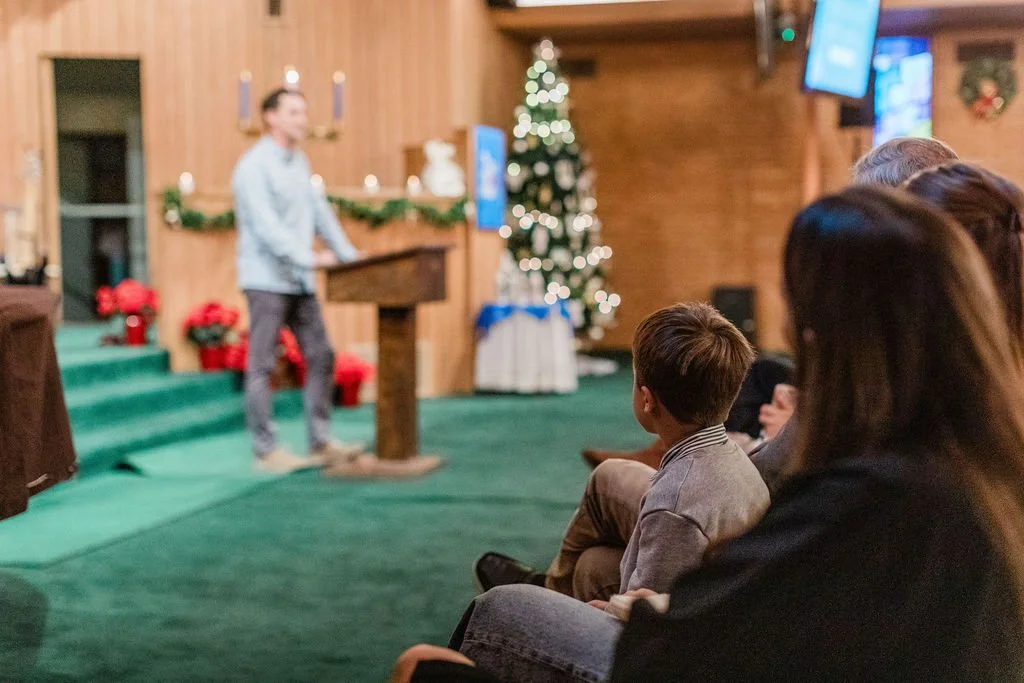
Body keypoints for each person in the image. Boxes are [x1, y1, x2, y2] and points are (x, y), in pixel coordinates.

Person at [396, 185, 1024, 683]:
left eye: (801, 321)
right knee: (592, 564)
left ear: (837, 341)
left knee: (489, 619)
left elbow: (708, 642)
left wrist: (632, 610)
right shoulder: (970, 454)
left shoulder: (882, 494)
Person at [581, 136, 960, 470]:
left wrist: (791, 434)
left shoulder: (895, 347)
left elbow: (794, 491)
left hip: (781, 480)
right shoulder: (944, 316)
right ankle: (670, 453)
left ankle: (677, 457)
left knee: (608, 498)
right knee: (758, 373)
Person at [475, 304, 770, 602]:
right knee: (591, 566)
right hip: (718, 594)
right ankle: (555, 591)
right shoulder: (732, 459)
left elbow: (648, 627)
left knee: (495, 610)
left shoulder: (673, 504)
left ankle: (542, 604)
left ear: (646, 400)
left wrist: (601, 612)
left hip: (685, 629)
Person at [232, 88, 362, 473]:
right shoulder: (252, 167)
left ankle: (320, 441)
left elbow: (319, 212)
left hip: (299, 280)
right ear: (270, 116)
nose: (302, 120)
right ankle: (265, 449)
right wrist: (308, 257)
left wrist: (349, 254)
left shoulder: (300, 161)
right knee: (262, 365)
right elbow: (266, 226)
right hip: (266, 280)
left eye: (304, 112)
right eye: (293, 112)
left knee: (321, 355)